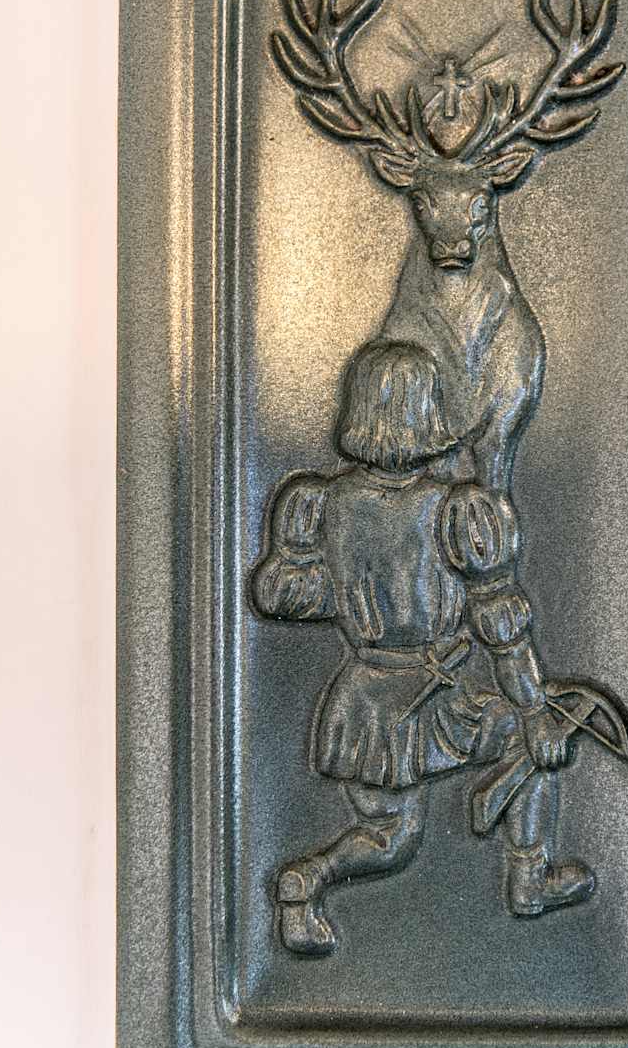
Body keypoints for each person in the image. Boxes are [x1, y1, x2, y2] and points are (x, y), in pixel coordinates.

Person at [250, 339, 594, 955]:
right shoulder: (458, 511)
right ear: (426, 412)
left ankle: (309, 881)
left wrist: (366, 592)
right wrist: (535, 707)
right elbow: (502, 627)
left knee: (389, 835)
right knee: (526, 738)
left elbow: (288, 596)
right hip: (427, 699)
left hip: (362, 698)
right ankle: (528, 876)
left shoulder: (321, 503)